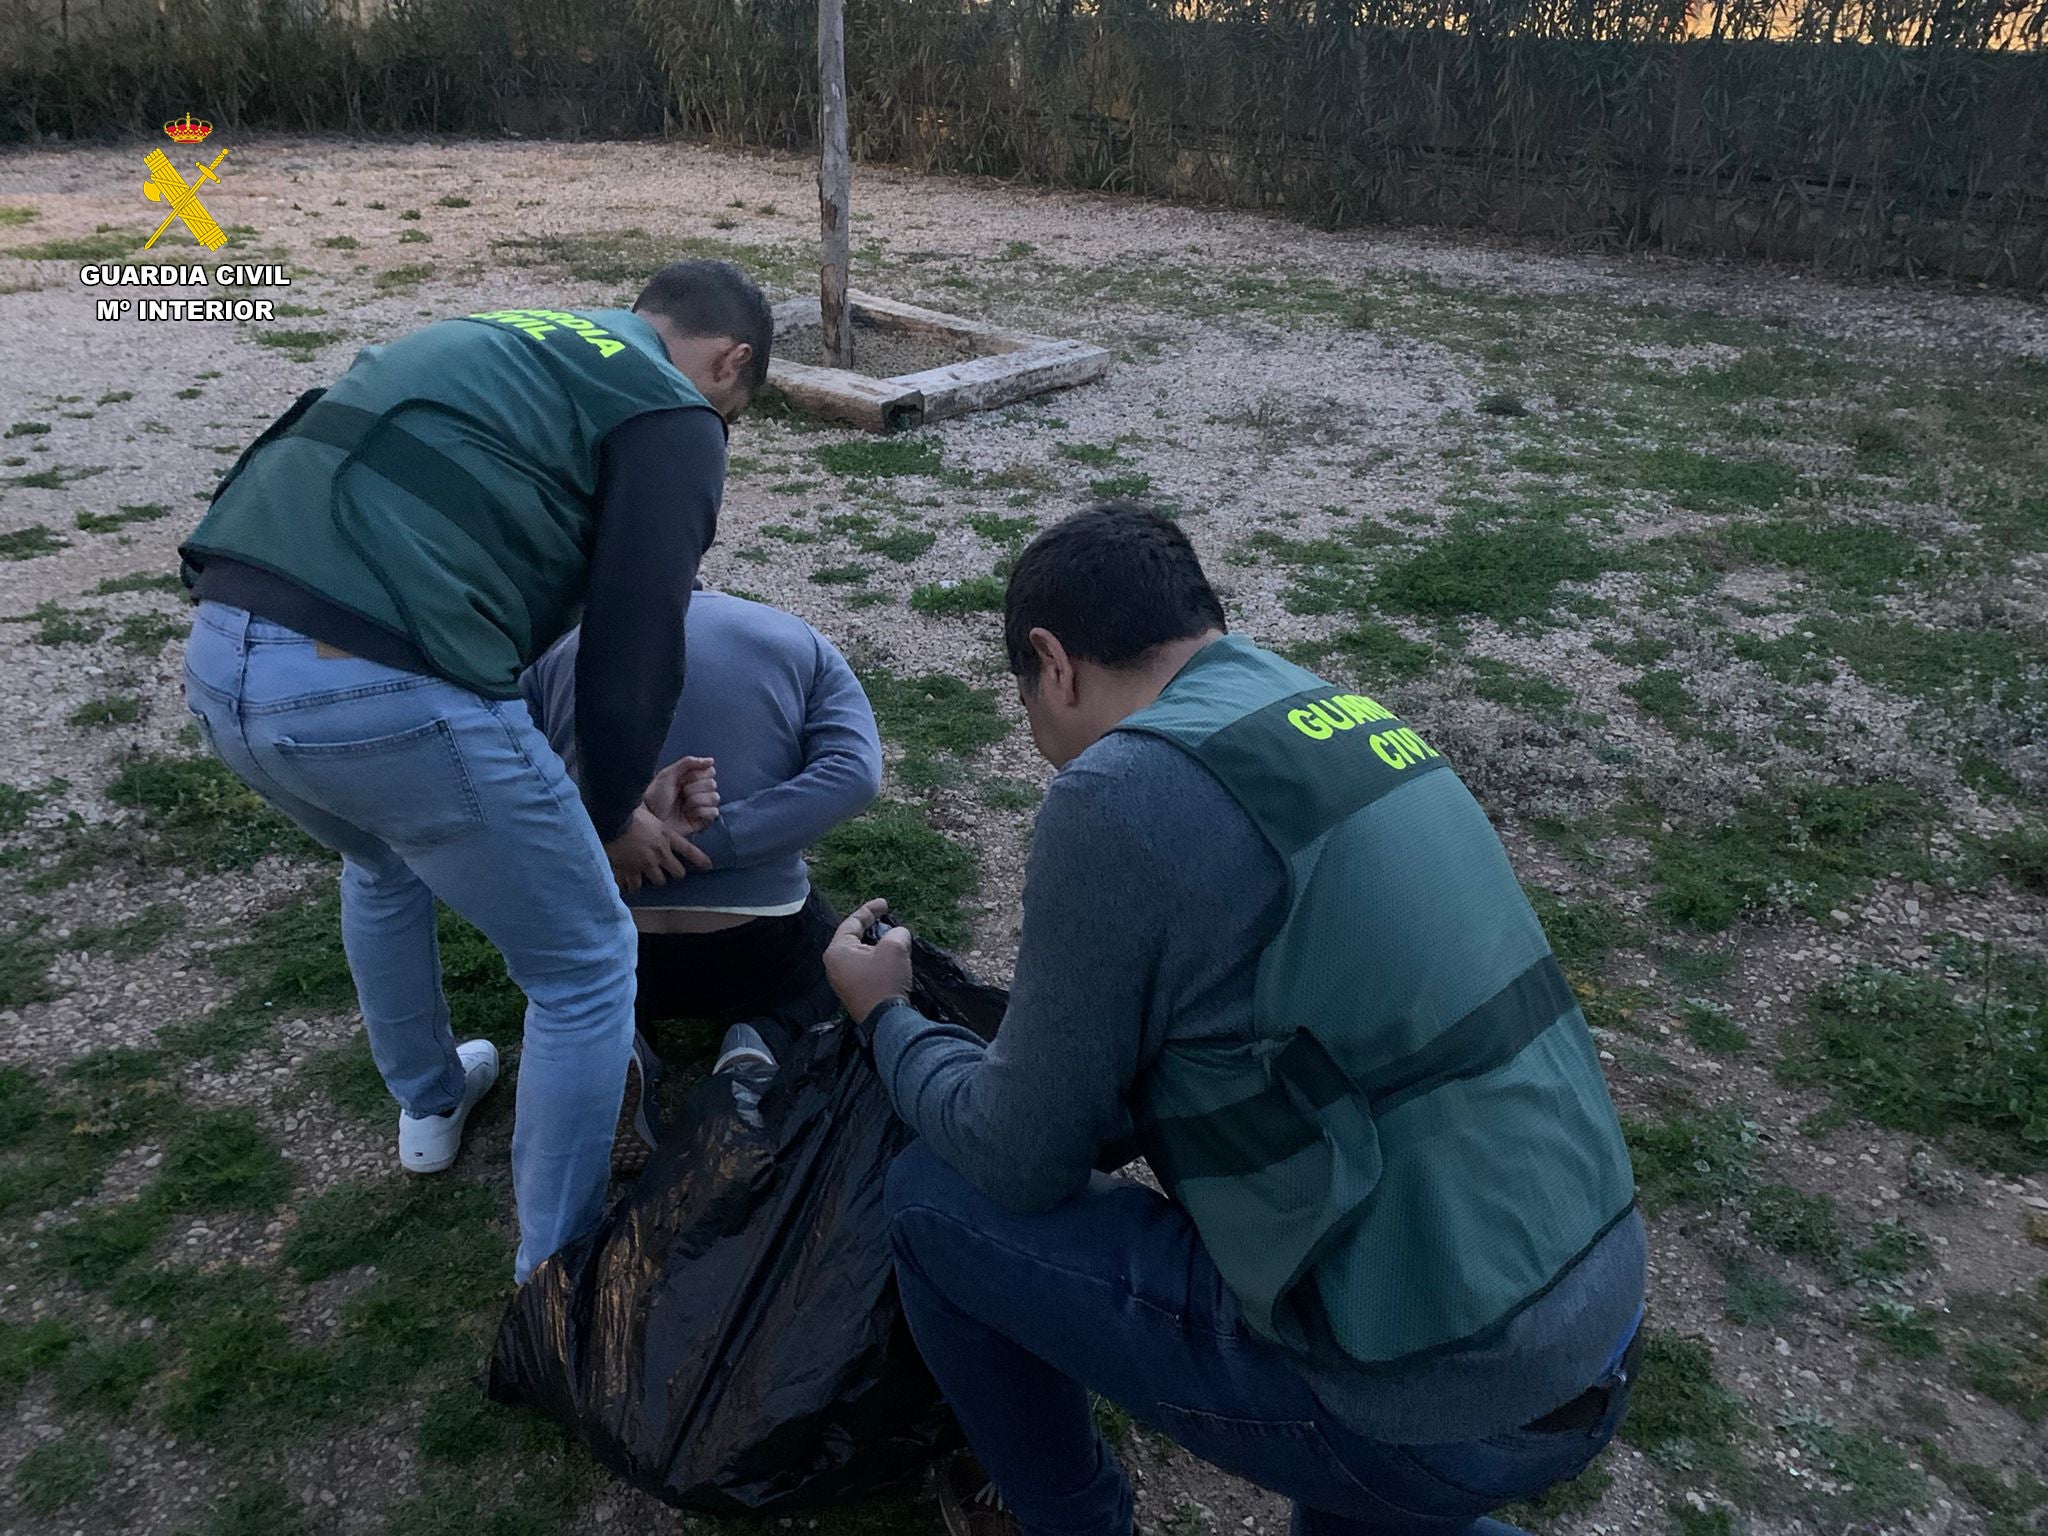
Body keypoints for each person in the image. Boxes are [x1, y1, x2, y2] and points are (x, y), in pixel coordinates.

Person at [822, 502, 1646, 1536]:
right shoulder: (1336, 710)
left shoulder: (1118, 789)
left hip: (1424, 1384)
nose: (1037, 742)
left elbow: (1019, 1158)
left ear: (1053, 664)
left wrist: (887, 1016)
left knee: (930, 1200)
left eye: (1024, 702)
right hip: (1591, 1307)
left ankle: (1069, 1521)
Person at [178, 261, 772, 1283]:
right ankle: (555, 1273)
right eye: (735, 413)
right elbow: (634, 646)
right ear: (732, 362)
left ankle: (431, 1101)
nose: (719, 430)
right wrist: (607, 815)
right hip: (384, 687)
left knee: (383, 863)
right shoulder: (673, 410)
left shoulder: (507, 334)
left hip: (224, 655)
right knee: (586, 964)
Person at [521, 585, 884, 1172]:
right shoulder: (796, 638)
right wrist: (710, 845)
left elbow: (513, 782)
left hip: (610, 941)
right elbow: (855, 774)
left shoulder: (556, 652)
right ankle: (760, 1043)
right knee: (825, 953)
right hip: (752, 942)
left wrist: (618, 839)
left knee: (574, 976)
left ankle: (617, 1043)